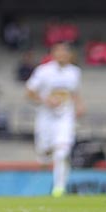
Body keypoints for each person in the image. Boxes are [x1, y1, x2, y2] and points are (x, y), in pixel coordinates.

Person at [26, 42, 84, 197]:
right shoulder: (43, 71)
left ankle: (59, 188)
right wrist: (46, 100)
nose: (62, 55)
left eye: (65, 52)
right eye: (59, 52)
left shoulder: (75, 72)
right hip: (45, 117)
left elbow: (74, 92)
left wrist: (79, 106)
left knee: (62, 152)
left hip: (65, 117)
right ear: (53, 53)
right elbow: (29, 92)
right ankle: (44, 154)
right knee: (44, 152)